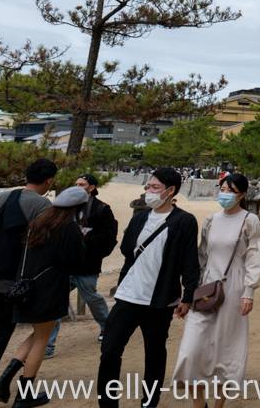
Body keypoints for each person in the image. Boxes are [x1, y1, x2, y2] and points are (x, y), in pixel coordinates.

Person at [97, 167, 201, 408]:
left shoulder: (184, 221)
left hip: (159, 301)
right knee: (110, 351)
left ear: (170, 190)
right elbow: (126, 250)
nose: (149, 191)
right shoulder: (139, 218)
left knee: (154, 354)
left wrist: (188, 296)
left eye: (155, 188)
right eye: (148, 187)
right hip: (127, 296)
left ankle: (149, 403)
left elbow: (189, 260)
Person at [171, 173, 260, 408]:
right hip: (206, 285)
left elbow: (254, 256)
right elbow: (202, 255)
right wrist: (190, 292)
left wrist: (249, 292)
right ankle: (199, 403)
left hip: (234, 287)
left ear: (242, 195)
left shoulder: (249, 220)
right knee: (191, 348)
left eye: (231, 190)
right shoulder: (210, 220)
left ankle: (218, 404)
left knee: (226, 347)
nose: (225, 194)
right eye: (222, 188)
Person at [0, 186, 86, 408]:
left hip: (26, 287)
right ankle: (23, 395)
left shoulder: (38, 223)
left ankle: (5, 379)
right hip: (49, 290)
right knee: (41, 340)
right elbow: (74, 262)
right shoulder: (68, 227)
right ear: (78, 208)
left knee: (38, 334)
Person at [46, 173, 118, 357]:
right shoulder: (67, 207)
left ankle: (107, 328)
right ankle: (47, 345)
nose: (77, 186)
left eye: (82, 184)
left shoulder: (101, 209)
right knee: (56, 300)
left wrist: (87, 236)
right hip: (65, 264)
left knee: (91, 297)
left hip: (88, 263)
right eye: (76, 183)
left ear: (91, 187)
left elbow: (109, 237)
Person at [0, 158, 55, 368]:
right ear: (49, 181)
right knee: (0, 332)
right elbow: (41, 246)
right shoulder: (43, 206)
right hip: (9, 281)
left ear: (25, 177)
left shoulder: (2, 197)